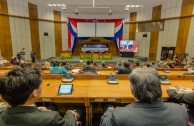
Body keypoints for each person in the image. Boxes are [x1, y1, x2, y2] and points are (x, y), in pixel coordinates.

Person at [100, 68, 189, 126]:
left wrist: (109, 110)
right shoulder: (180, 111)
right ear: (159, 87)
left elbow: (103, 123)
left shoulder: (118, 116)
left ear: (132, 91)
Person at [0, 66, 80, 126]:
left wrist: (35, 109)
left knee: (51, 107)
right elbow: (69, 124)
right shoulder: (52, 118)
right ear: (35, 92)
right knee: (79, 110)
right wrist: (70, 113)